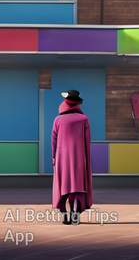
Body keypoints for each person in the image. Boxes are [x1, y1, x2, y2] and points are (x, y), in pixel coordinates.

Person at [52, 89, 93, 225]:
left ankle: (64, 214)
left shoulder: (58, 120)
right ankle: (75, 212)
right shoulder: (84, 119)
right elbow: (88, 142)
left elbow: (54, 140)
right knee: (77, 186)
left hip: (62, 159)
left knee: (63, 186)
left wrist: (54, 157)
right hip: (80, 158)